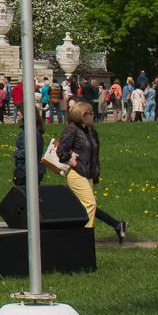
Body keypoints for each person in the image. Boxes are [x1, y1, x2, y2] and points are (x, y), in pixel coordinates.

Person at [54, 97, 128, 241]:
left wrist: (95, 176)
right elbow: (60, 151)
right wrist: (72, 162)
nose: (93, 116)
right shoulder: (72, 129)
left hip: (87, 173)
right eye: (90, 113)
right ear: (82, 115)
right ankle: (86, 238)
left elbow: (95, 155)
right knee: (90, 203)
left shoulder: (90, 131)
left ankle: (71, 235)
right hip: (76, 173)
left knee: (82, 206)